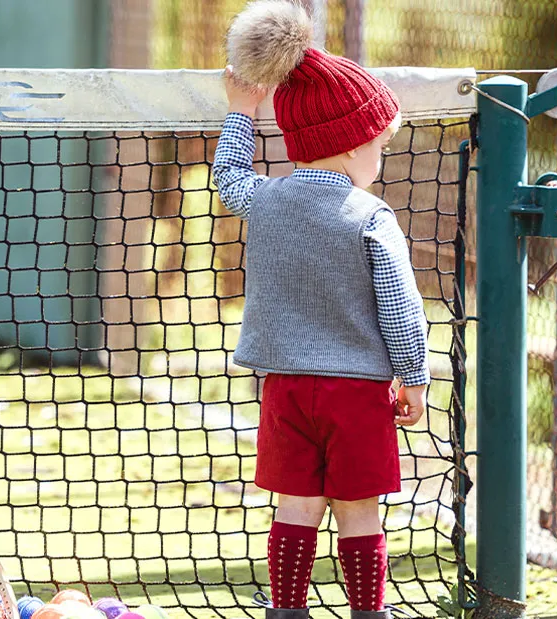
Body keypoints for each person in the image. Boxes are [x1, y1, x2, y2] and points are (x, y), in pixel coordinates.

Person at [212, 2, 431, 618]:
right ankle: (368, 613)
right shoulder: (371, 217)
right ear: (352, 145)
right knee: (358, 510)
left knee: (295, 505)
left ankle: (287, 611)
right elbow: (401, 310)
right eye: (378, 148)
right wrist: (413, 380)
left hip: (283, 388)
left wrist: (241, 112)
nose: (380, 160)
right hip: (356, 393)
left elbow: (228, 178)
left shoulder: (266, 200)